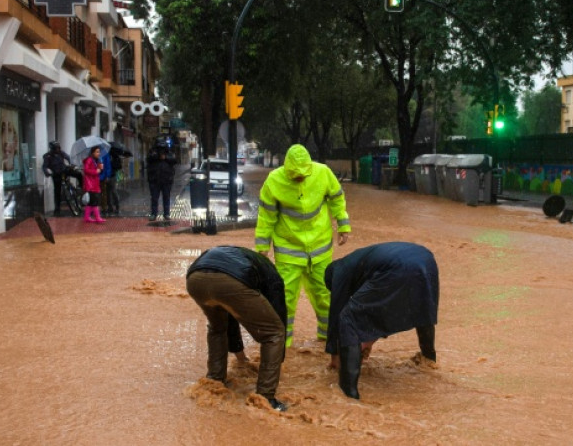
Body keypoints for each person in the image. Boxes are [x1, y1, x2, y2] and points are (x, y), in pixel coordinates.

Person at [254, 143, 351, 347]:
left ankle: (328, 339)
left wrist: (343, 224)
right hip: (289, 251)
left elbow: (337, 199)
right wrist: (262, 245)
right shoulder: (274, 180)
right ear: (287, 169)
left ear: (310, 167)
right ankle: (282, 344)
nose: (299, 178)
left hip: (320, 247)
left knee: (325, 295)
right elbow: (266, 216)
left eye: (303, 174)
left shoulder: (323, 173)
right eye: (294, 175)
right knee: (284, 298)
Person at [324, 242, 439, 399]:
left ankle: (347, 393)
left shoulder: (338, 271)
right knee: (422, 307)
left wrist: (335, 354)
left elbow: (337, 313)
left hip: (399, 266)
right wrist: (369, 339)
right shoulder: (359, 261)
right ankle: (429, 360)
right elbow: (383, 308)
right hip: (425, 259)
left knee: (347, 317)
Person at [185, 246, 288, 412]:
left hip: (195, 279)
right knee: (274, 333)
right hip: (229, 281)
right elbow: (278, 315)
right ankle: (265, 398)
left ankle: (215, 381)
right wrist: (279, 359)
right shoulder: (273, 276)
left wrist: (240, 357)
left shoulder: (244, 258)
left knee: (218, 328)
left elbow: (231, 314)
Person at [146, 140, 177, 220]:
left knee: (166, 197)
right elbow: (148, 158)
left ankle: (166, 214)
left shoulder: (169, 153)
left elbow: (174, 160)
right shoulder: (153, 153)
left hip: (166, 180)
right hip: (154, 180)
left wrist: (165, 157)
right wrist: (157, 156)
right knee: (154, 198)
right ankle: (154, 214)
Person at [42, 141, 74, 216]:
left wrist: (71, 164)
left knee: (71, 175)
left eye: (59, 148)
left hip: (63, 170)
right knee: (57, 191)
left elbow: (68, 157)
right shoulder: (47, 156)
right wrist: (47, 173)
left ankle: (72, 190)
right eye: (56, 148)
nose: (58, 150)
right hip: (56, 174)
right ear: (52, 149)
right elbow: (44, 166)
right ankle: (57, 208)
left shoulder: (61, 153)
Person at [82, 146, 106, 223]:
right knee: (94, 202)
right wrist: (96, 171)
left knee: (91, 203)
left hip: (95, 183)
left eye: (99, 152)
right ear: (92, 153)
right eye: (97, 152)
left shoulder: (96, 161)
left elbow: (99, 171)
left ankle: (87, 217)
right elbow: (86, 170)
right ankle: (97, 217)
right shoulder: (89, 160)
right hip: (91, 185)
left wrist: (101, 168)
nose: (98, 153)